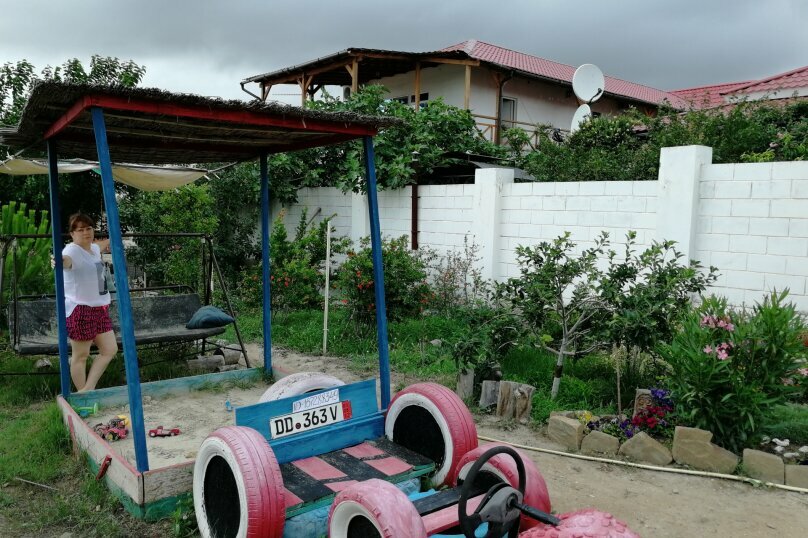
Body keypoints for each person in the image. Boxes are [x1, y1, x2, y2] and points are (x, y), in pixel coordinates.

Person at [59, 213, 117, 392]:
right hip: (81, 309)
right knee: (81, 356)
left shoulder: (93, 249)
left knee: (109, 349)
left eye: (89, 228)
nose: (86, 232)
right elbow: (65, 261)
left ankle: (87, 390)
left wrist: (113, 238)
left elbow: (100, 245)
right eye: (80, 230)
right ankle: (83, 396)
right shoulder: (72, 251)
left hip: (99, 308)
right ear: (72, 234)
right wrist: (58, 261)